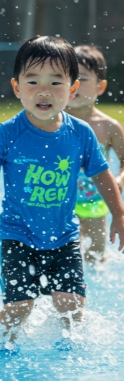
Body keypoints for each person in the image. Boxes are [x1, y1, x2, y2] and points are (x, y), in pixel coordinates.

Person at [0, 36, 124, 351]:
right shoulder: (7, 133)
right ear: (17, 88)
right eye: (32, 81)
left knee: (71, 305)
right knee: (20, 307)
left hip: (65, 236)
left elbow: (102, 175)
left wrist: (118, 214)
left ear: (72, 89)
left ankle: (67, 355)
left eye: (56, 82)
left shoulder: (81, 133)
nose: (43, 91)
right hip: (17, 236)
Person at [64, 45, 124, 263]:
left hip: (95, 201)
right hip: (59, 199)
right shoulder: (52, 122)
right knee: (63, 255)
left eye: (81, 78)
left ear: (100, 87)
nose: (74, 84)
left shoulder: (109, 127)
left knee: (95, 257)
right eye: (68, 77)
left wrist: (119, 180)